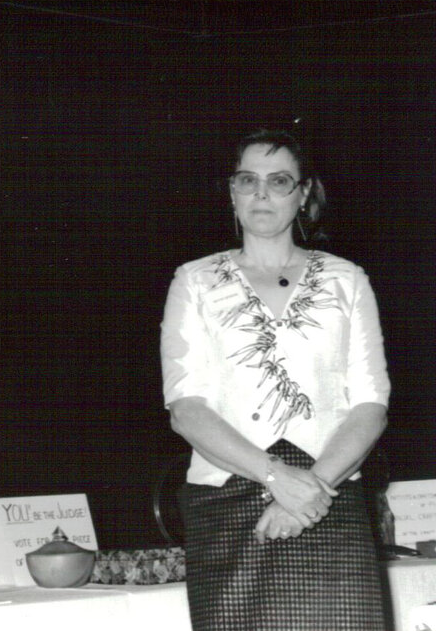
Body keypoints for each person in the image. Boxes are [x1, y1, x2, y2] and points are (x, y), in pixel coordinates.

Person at [160, 129, 389, 629]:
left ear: (304, 194)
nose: (261, 193)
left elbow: (370, 405)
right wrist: (275, 477)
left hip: (329, 503)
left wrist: (311, 490)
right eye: (248, 179)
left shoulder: (347, 280)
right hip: (228, 500)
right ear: (232, 192)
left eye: (279, 180)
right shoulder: (194, 281)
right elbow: (186, 408)